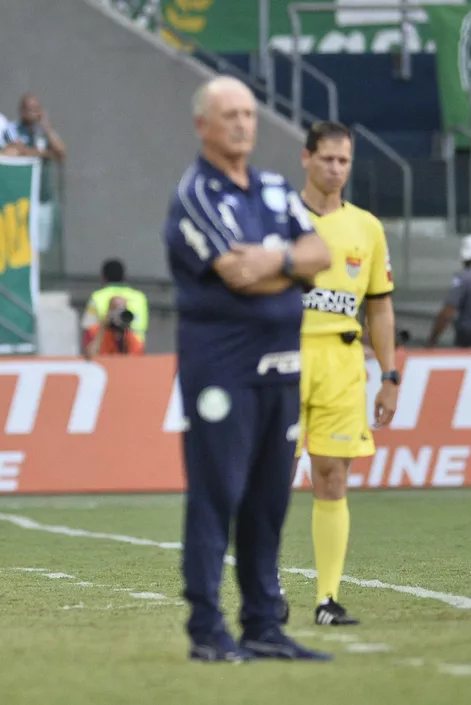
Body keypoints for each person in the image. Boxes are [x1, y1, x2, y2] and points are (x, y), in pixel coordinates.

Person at [164, 76, 332, 663]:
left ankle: (263, 624)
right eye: (229, 114)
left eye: (249, 114)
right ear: (202, 126)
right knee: (217, 495)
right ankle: (208, 629)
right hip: (223, 370)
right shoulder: (196, 194)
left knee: (268, 500)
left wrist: (275, 258)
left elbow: (321, 254)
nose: (242, 124)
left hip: (282, 366)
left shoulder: (273, 187)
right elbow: (236, 273)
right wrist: (289, 264)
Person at [291, 121, 398, 627]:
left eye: (344, 161)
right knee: (267, 477)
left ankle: (327, 599)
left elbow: (379, 307)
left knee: (332, 475)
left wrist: (390, 375)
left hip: (341, 361)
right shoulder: (278, 217)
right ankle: (265, 587)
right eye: (327, 158)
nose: (336, 168)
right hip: (284, 358)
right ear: (306, 158)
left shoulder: (367, 228)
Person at [81, 259, 149, 351]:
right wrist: (107, 321)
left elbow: (88, 329)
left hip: (129, 346)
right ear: (124, 276)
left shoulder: (98, 297)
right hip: (110, 345)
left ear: (103, 277)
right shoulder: (139, 297)